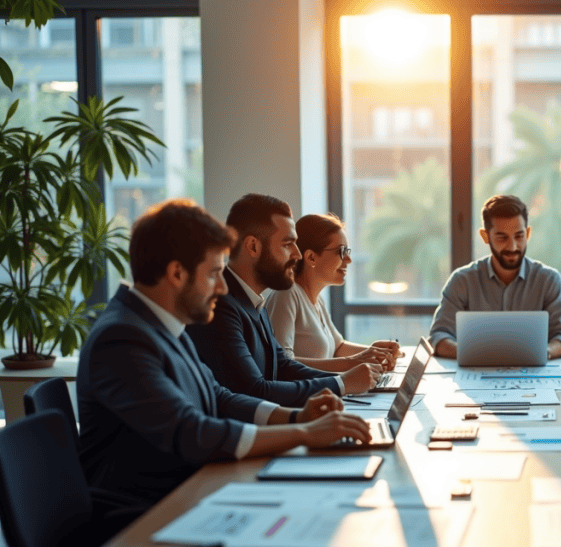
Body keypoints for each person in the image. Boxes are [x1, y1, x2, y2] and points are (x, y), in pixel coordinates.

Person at [77, 199, 371, 504]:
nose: (221, 287)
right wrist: (304, 433)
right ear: (177, 274)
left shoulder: (162, 323)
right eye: (213, 273)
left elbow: (219, 397)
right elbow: (192, 433)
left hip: (188, 491)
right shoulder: (121, 338)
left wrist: (296, 418)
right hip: (142, 518)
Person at [187, 194, 381, 406]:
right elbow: (254, 390)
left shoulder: (254, 301)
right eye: (288, 244)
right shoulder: (221, 306)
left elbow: (282, 366)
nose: (298, 255)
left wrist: (343, 380)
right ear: (253, 247)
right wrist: (342, 383)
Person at [428, 194, 561, 359]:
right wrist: (471, 354)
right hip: (475, 374)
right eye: (502, 237)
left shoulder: (549, 280)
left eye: (519, 236)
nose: (512, 246)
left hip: (534, 373)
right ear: (485, 236)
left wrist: (543, 353)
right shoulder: (462, 281)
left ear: (527, 233)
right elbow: (439, 336)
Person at [266, 213, 401, 373]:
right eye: (341, 251)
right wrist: (354, 362)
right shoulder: (287, 294)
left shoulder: (316, 299)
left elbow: (338, 347)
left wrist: (376, 352)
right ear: (311, 257)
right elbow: (282, 364)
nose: (349, 259)